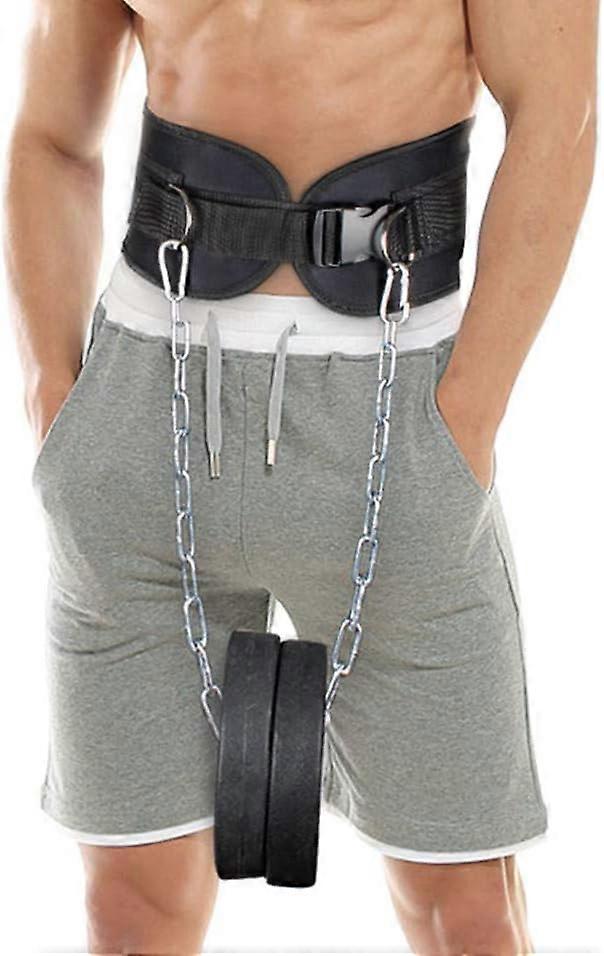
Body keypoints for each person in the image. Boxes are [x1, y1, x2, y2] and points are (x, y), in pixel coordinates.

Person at [4, 0, 598, 953]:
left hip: (394, 400)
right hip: (146, 402)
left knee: (466, 910)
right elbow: (50, 134)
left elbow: (559, 112)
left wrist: (468, 415)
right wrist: (53, 402)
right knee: (130, 910)